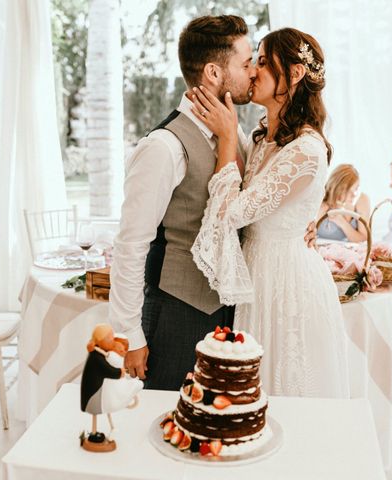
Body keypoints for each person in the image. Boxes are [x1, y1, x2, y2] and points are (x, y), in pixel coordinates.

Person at [108, 16, 316, 392]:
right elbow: (130, 245)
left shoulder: (231, 129)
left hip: (231, 310)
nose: (253, 72)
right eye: (246, 62)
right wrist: (130, 335)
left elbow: (261, 192)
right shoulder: (163, 147)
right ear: (214, 72)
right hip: (177, 311)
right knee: (169, 423)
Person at [191, 28, 349, 397]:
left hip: (288, 282)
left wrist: (228, 139)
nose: (253, 72)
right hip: (257, 274)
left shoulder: (306, 149)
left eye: (263, 62)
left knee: (288, 388)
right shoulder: (263, 139)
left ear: (294, 74)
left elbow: (231, 213)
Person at [317, 164, 370, 242]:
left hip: (347, 251)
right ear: (338, 188)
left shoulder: (361, 200)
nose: (353, 195)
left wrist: (342, 222)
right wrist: (317, 218)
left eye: (356, 189)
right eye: (348, 191)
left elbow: (363, 240)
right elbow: (304, 235)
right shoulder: (320, 199)